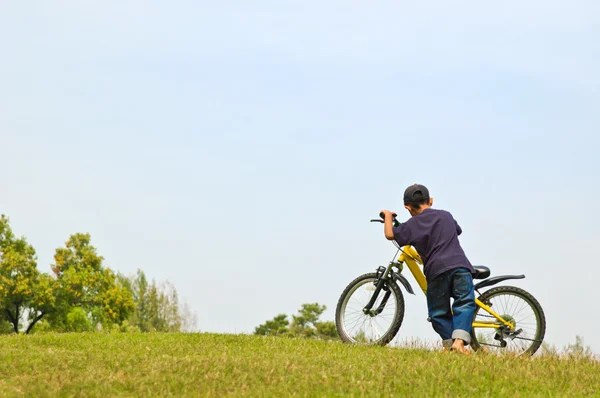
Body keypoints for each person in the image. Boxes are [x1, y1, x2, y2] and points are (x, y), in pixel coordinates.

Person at [380, 184, 476, 354]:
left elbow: (390, 234)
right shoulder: (446, 215)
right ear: (430, 201)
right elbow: (457, 230)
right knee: (465, 303)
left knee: (438, 312)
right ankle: (458, 342)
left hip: (436, 271)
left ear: (407, 208)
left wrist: (388, 216)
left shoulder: (412, 224)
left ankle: (450, 344)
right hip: (460, 266)